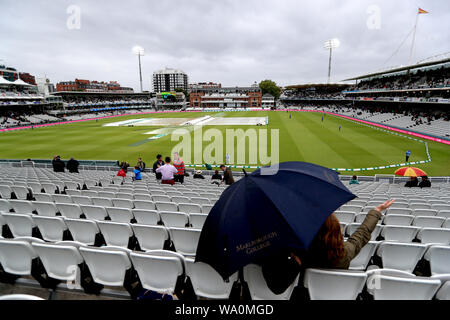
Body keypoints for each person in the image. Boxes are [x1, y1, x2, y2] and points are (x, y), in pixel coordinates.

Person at [262, 200, 396, 295]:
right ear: (336, 233)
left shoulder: (296, 254)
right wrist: (376, 212)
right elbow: (361, 234)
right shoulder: (344, 254)